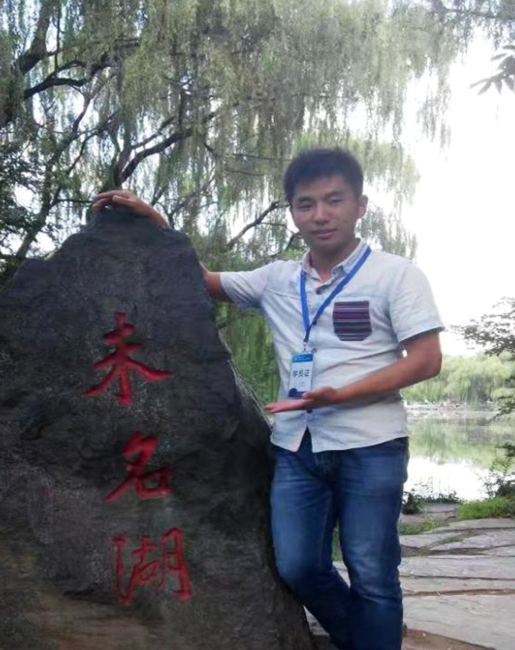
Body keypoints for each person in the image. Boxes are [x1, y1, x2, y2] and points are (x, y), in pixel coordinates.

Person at [93, 148, 443, 650]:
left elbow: (426, 360)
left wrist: (338, 395)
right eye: (306, 204)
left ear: (360, 205)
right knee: (298, 566)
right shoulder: (278, 279)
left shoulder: (396, 275)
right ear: (293, 213)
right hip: (297, 448)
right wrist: (158, 223)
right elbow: (201, 282)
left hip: (371, 446)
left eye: (334, 200)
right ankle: (367, 640)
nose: (320, 215)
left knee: (372, 572)